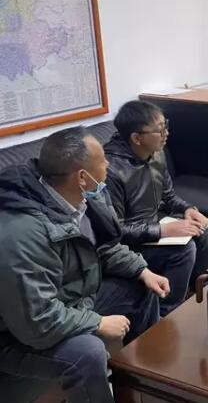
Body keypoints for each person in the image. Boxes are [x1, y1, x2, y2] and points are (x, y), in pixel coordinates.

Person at [0, 127, 169, 403]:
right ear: (81, 176)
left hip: (74, 301)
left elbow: (104, 247)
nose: (109, 163)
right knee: (87, 352)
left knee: (143, 286)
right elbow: (37, 321)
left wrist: (142, 270)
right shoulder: (22, 233)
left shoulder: (86, 196)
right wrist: (98, 322)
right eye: (103, 160)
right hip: (19, 335)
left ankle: (144, 385)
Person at [105, 100, 208, 316]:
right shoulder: (110, 171)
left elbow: (169, 197)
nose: (166, 134)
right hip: (129, 245)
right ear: (137, 138)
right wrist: (163, 231)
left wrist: (188, 210)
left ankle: (200, 294)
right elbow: (115, 231)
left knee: (203, 232)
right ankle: (166, 314)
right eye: (160, 130)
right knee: (184, 251)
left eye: (166, 126)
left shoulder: (156, 153)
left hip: (153, 227)